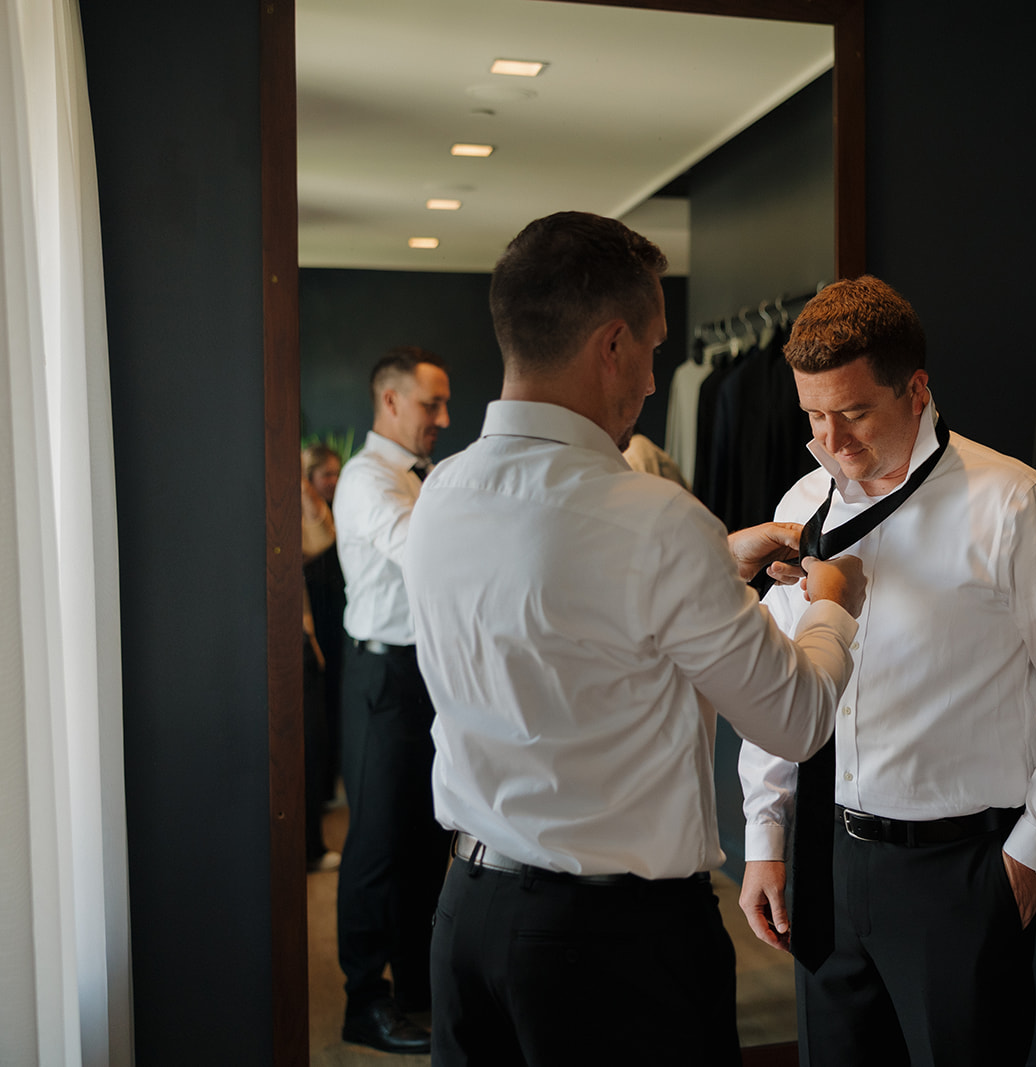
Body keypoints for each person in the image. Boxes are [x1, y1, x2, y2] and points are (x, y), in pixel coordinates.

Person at [402, 211, 867, 1066]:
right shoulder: (654, 520)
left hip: (467, 916)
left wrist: (715, 567)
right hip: (611, 949)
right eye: (653, 347)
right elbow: (798, 719)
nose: (655, 379)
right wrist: (836, 602)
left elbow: (557, 621)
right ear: (611, 345)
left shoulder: (442, 494)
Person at [737, 275, 1036, 1067]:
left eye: (854, 413)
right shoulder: (805, 502)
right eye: (814, 415)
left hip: (960, 874)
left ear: (916, 389)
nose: (832, 442)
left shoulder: (1012, 504)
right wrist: (765, 835)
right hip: (829, 855)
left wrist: (1031, 854)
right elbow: (784, 681)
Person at [331, 347, 453, 1054]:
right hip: (382, 680)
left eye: (443, 403)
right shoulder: (364, 479)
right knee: (376, 841)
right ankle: (362, 1000)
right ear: (390, 402)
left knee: (425, 837)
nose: (443, 417)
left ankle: (417, 987)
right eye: (430, 403)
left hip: (430, 677)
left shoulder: (430, 476)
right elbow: (427, 553)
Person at [302, 443, 345, 809]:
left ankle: (332, 785)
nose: (333, 480)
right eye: (326, 474)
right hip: (316, 613)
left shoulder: (340, 509)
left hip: (339, 612)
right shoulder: (309, 518)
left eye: (336, 472)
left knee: (335, 699)